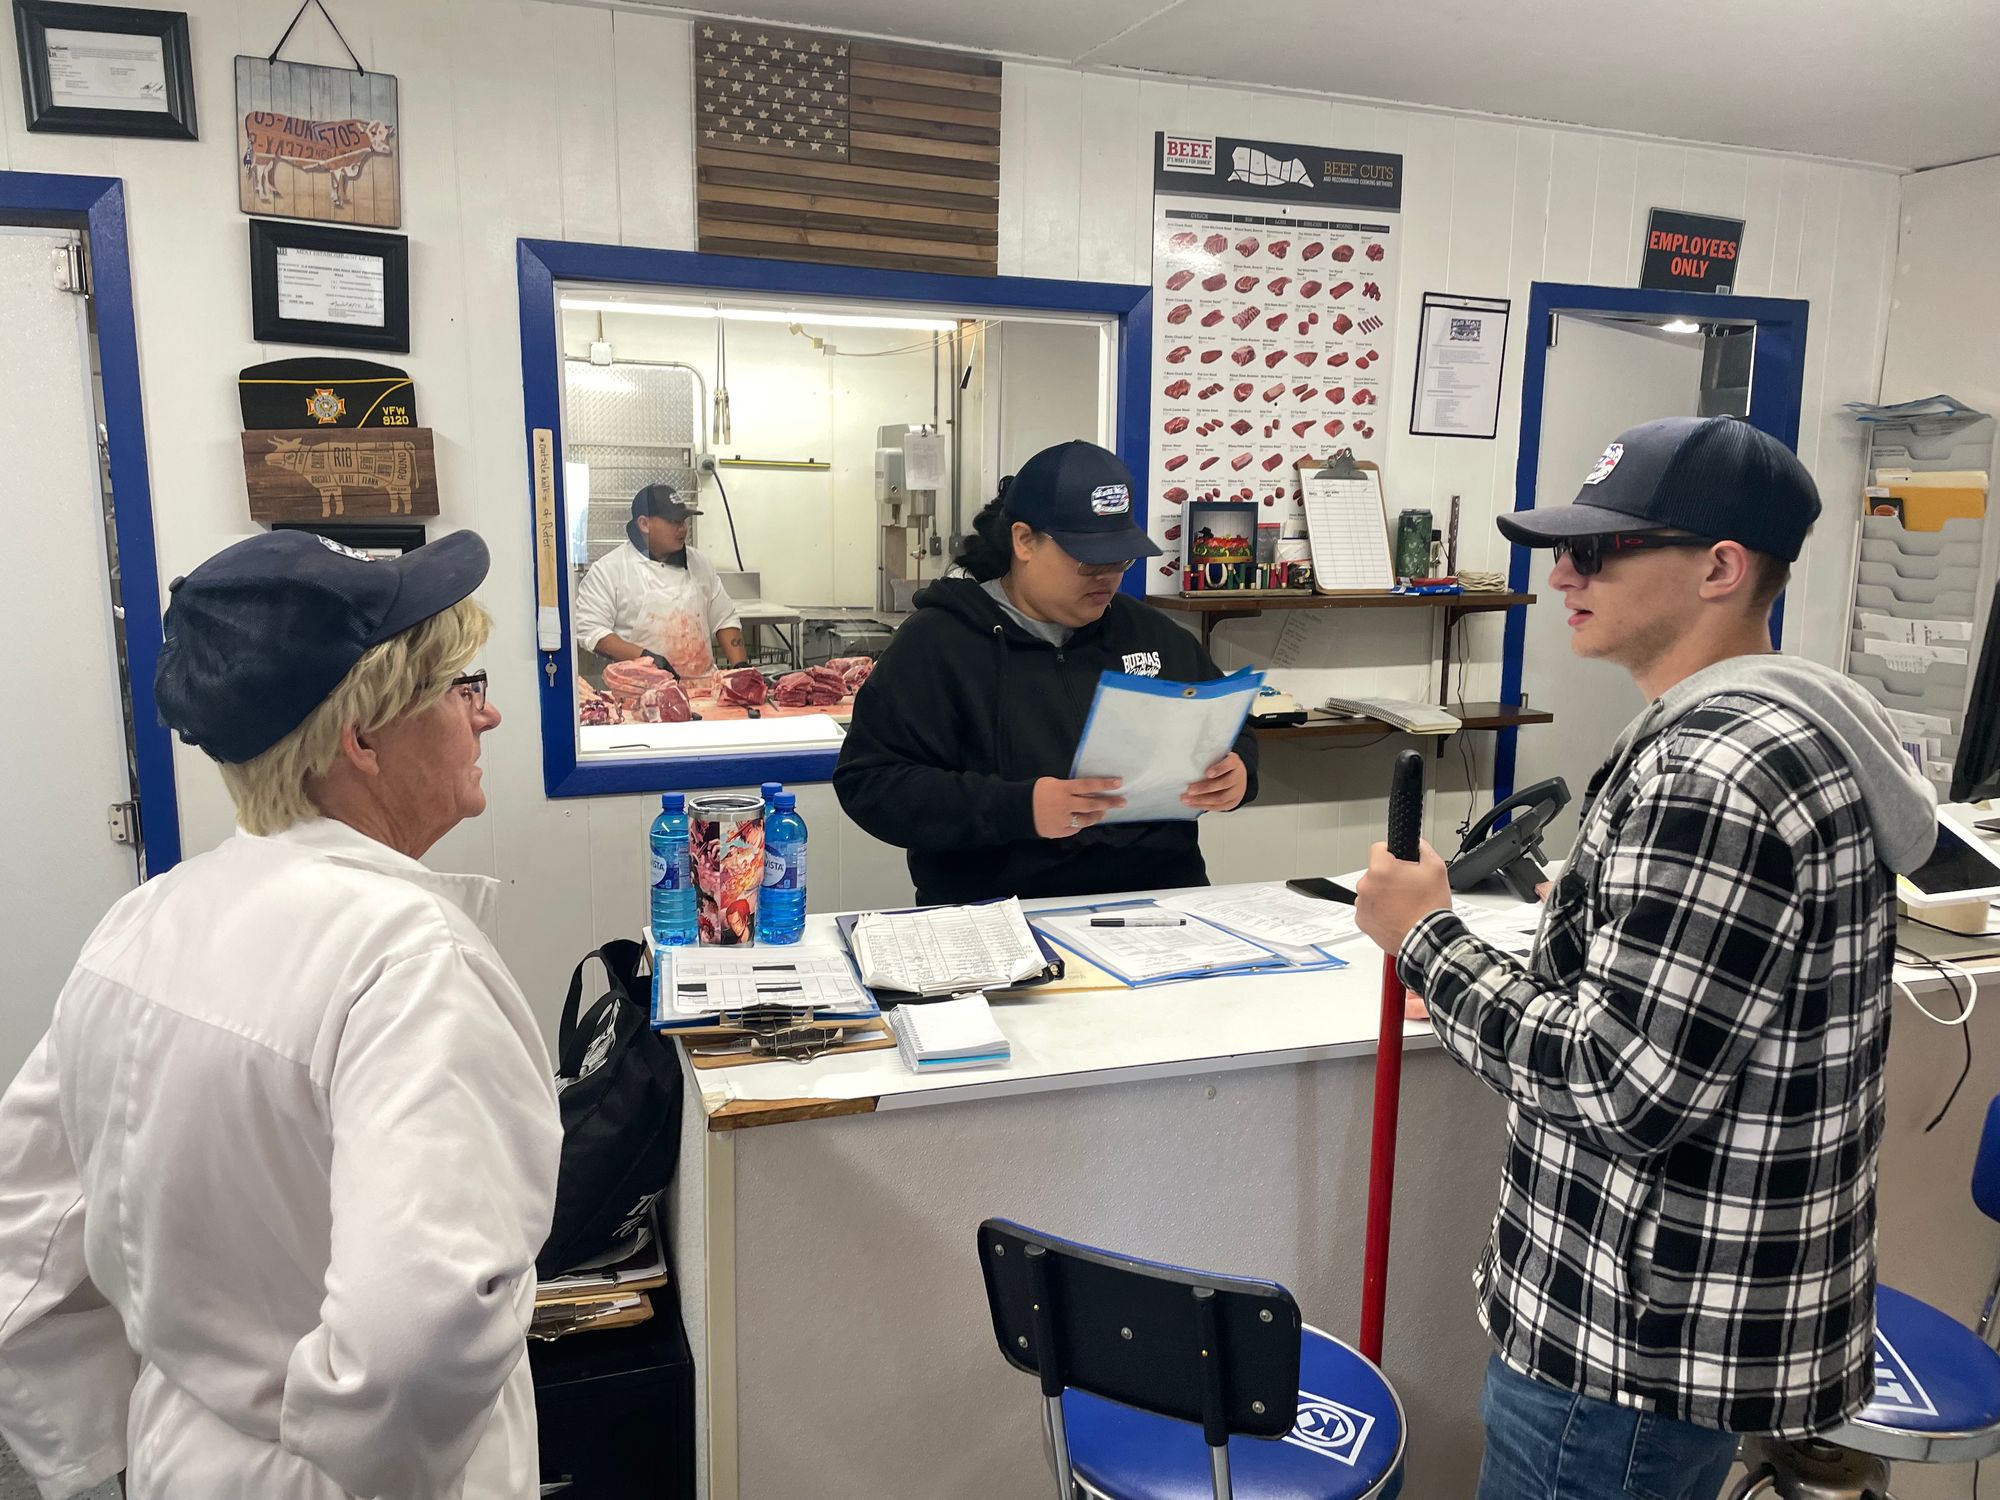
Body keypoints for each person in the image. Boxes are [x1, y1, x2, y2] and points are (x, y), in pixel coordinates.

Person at [1354, 416, 1938, 1500]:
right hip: (1677, 1326)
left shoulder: (1709, 770)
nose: (1562, 570)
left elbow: (1616, 1087)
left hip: (1627, 1348)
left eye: (1602, 548)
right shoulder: (1779, 727)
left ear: (1719, 566)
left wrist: (1422, 939)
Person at [0, 530, 561, 1500]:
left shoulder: (143, 925)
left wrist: (107, 1456)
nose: (491, 714)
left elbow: (26, 1250)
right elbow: (420, 1330)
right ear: (364, 738)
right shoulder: (405, 964)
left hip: (182, 1457)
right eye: (461, 686)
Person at [835, 439, 1256, 904]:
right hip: (1002, 917)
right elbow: (871, 783)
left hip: (1159, 906)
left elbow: (1234, 726)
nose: (1109, 577)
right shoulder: (939, 643)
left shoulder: (1153, 635)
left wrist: (1238, 771)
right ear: (1024, 541)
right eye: (1089, 560)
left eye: (1121, 559)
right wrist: (1020, 808)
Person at [572, 482, 748, 679]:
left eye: (684, 520)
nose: (683, 529)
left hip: (704, 690)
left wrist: (741, 668)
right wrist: (646, 658)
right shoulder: (609, 570)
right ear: (644, 524)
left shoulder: (700, 563)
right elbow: (591, 629)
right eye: (674, 521)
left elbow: (725, 619)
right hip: (641, 693)